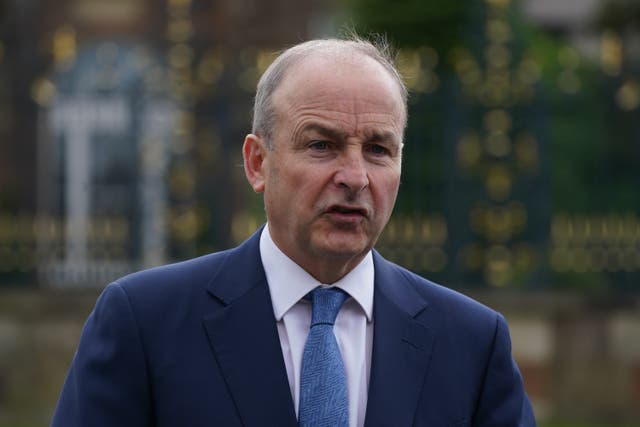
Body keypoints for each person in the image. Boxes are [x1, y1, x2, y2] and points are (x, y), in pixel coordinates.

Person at [51, 36, 536, 427]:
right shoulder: (144, 323)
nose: (355, 176)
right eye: (322, 144)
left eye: (379, 149)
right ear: (258, 162)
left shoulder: (471, 341)